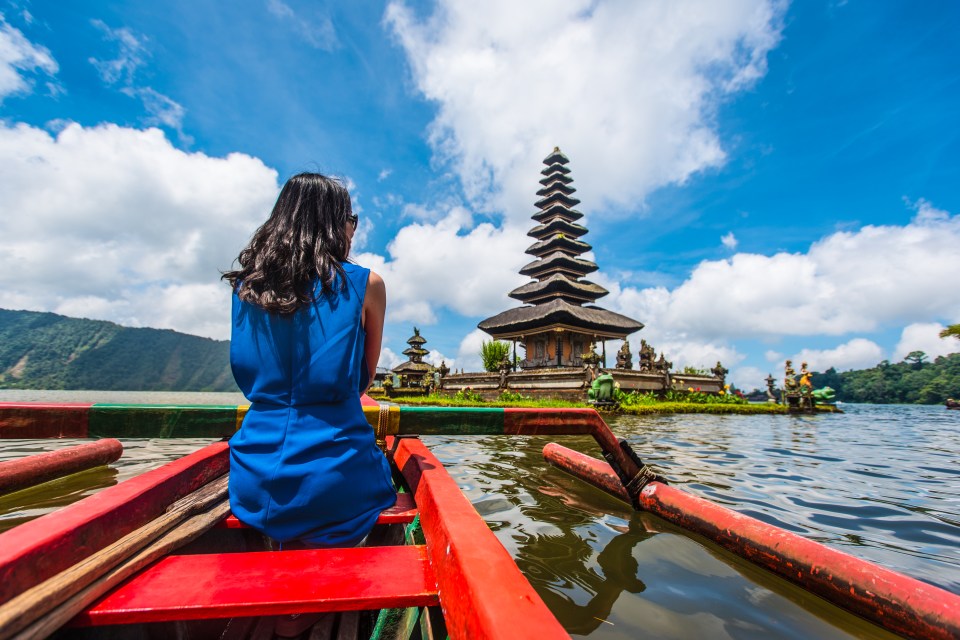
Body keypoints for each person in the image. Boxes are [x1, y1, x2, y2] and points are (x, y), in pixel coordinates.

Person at [222, 172, 396, 550]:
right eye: (352, 220)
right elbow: (362, 382)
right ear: (337, 224)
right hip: (336, 472)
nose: (353, 230)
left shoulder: (245, 289)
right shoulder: (367, 285)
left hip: (254, 475)